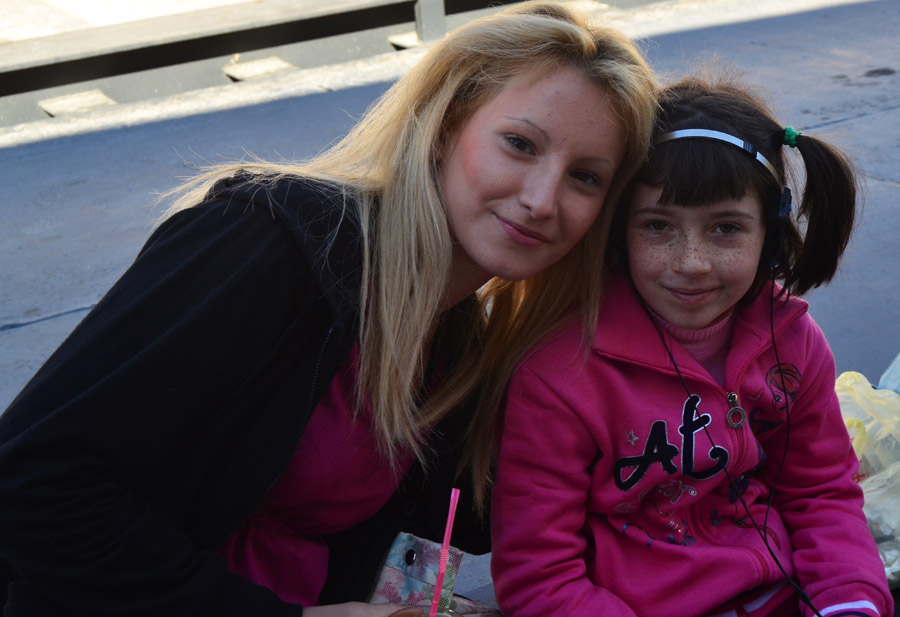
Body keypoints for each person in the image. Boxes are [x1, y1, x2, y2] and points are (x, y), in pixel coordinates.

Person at [0, 3, 658, 616]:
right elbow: (31, 483)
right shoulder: (269, 245)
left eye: (586, 177)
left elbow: (508, 516)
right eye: (519, 143)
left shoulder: (457, 340)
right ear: (444, 126)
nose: (542, 199)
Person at [490, 75, 895, 617]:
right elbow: (539, 576)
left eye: (726, 229)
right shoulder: (560, 375)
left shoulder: (793, 342)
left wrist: (849, 602)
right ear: (617, 233)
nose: (692, 263)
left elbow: (819, 493)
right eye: (658, 226)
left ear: (771, 235)